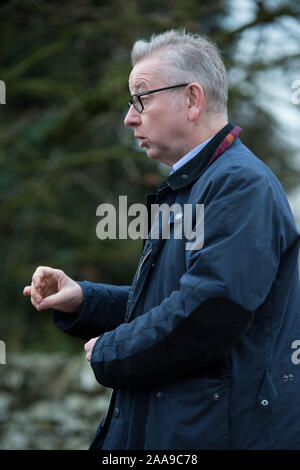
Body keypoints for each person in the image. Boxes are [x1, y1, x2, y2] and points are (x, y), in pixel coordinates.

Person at [23, 29, 300, 450]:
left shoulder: (239, 186)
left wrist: (110, 350)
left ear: (191, 99)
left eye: (141, 99)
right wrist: (85, 299)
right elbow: (164, 305)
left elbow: (207, 313)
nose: (129, 117)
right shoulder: (194, 185)